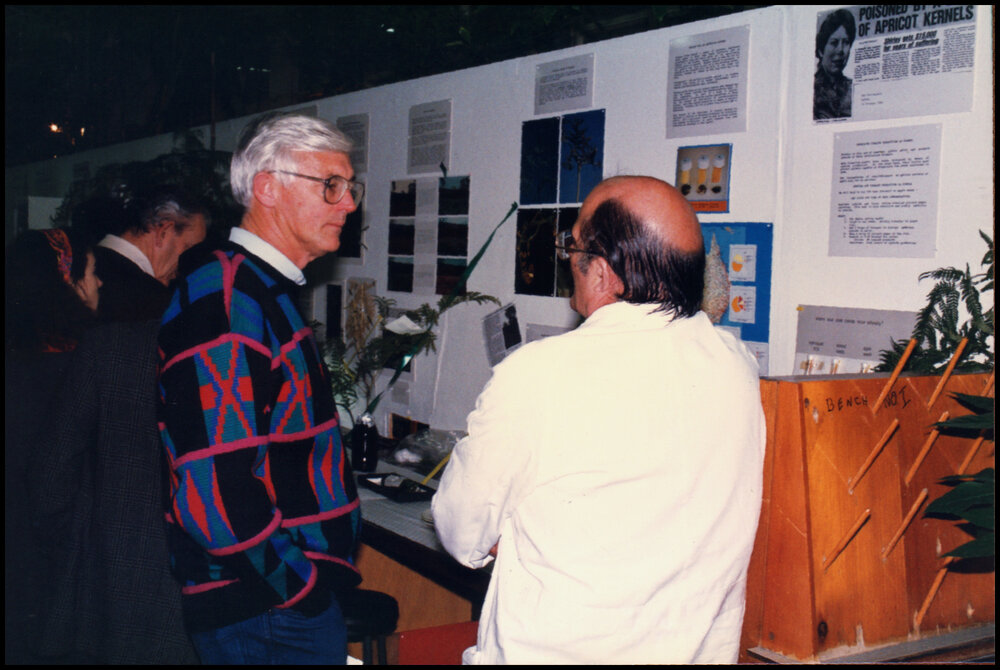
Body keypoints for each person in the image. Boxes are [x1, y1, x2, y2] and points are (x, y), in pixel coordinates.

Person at [432, 176, 766, 664]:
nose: (568, 259)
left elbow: (462, 527)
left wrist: (530, 541)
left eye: (572, 245)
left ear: (605, 271)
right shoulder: (737, 366)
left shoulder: (539, 373)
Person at [157, 112, 366, 664]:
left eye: (349, 187)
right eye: (331, 186)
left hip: (268, 608)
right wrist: (299, 588)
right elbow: (214, 490)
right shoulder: (230, 299)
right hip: (264, 613)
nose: (348, 203)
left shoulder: (254, 290)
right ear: (267, 188)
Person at [5, 227, 100, 663]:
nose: (97, 285)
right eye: (92, 274)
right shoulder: (76, 363)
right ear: (67, 279)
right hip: (54, 551)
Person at [89, 186, 208, 322]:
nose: (189, 263)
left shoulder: (78, 266)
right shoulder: (152, 301)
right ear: (163, 232)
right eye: (188, 248)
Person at [813, 9, 856, 120]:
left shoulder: (853, 89)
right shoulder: (811, 89)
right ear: (821, 50)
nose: (840, 50)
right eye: (834, 43)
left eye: (846, 42)